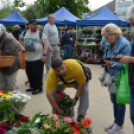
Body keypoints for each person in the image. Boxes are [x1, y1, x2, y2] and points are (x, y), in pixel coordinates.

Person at [101, 23, 131, 134]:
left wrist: (111, 64)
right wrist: (105, 75)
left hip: (120, 76)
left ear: (114, 34)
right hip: (112, 75)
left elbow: (126, 64)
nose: (106, 40)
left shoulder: (125, 44)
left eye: (107, 38)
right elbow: (106, 59)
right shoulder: (110, 44)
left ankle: (120, 125)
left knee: (120, 101)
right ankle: (116, 121)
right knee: (114, 100)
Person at [46, 58, 89, 122]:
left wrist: (75, 99)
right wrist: (58, 110)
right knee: (54, 94)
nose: (61, 72)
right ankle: (59, 113)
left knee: (85, 91)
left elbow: (81, 84)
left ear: (64, 64)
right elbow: (49, 95)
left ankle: (81, 113)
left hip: (77, 82)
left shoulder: (75, 67)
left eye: (62, 68)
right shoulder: (51, 75)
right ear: (54, 70)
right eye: (57, 71)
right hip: (62, 83)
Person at [19, 19, 48, 95]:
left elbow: (46, 44)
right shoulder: (25, 33)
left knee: (37, 74)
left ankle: (39, 88)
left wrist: (44, 54)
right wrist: (23, 45)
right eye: (34, 24)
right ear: (30, 25)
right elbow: (20, 38)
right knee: (29, 73)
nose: (36, 26)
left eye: (37, 24)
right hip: (28, 58)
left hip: (38, 58)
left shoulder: (40, 34)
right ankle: (33, 86)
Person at [117, 5, 134, 130]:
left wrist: (130, 59)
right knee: (133, 115)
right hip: (132, 80)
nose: (132, 26)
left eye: (133, 23)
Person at [0, 25, 22, 91]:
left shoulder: (8, 38)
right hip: (3, 65)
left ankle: (14, 100)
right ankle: (4, 100)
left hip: (12, 65)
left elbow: (8, 52)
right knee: (2, 86)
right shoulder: (1, 37)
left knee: (11, 86)